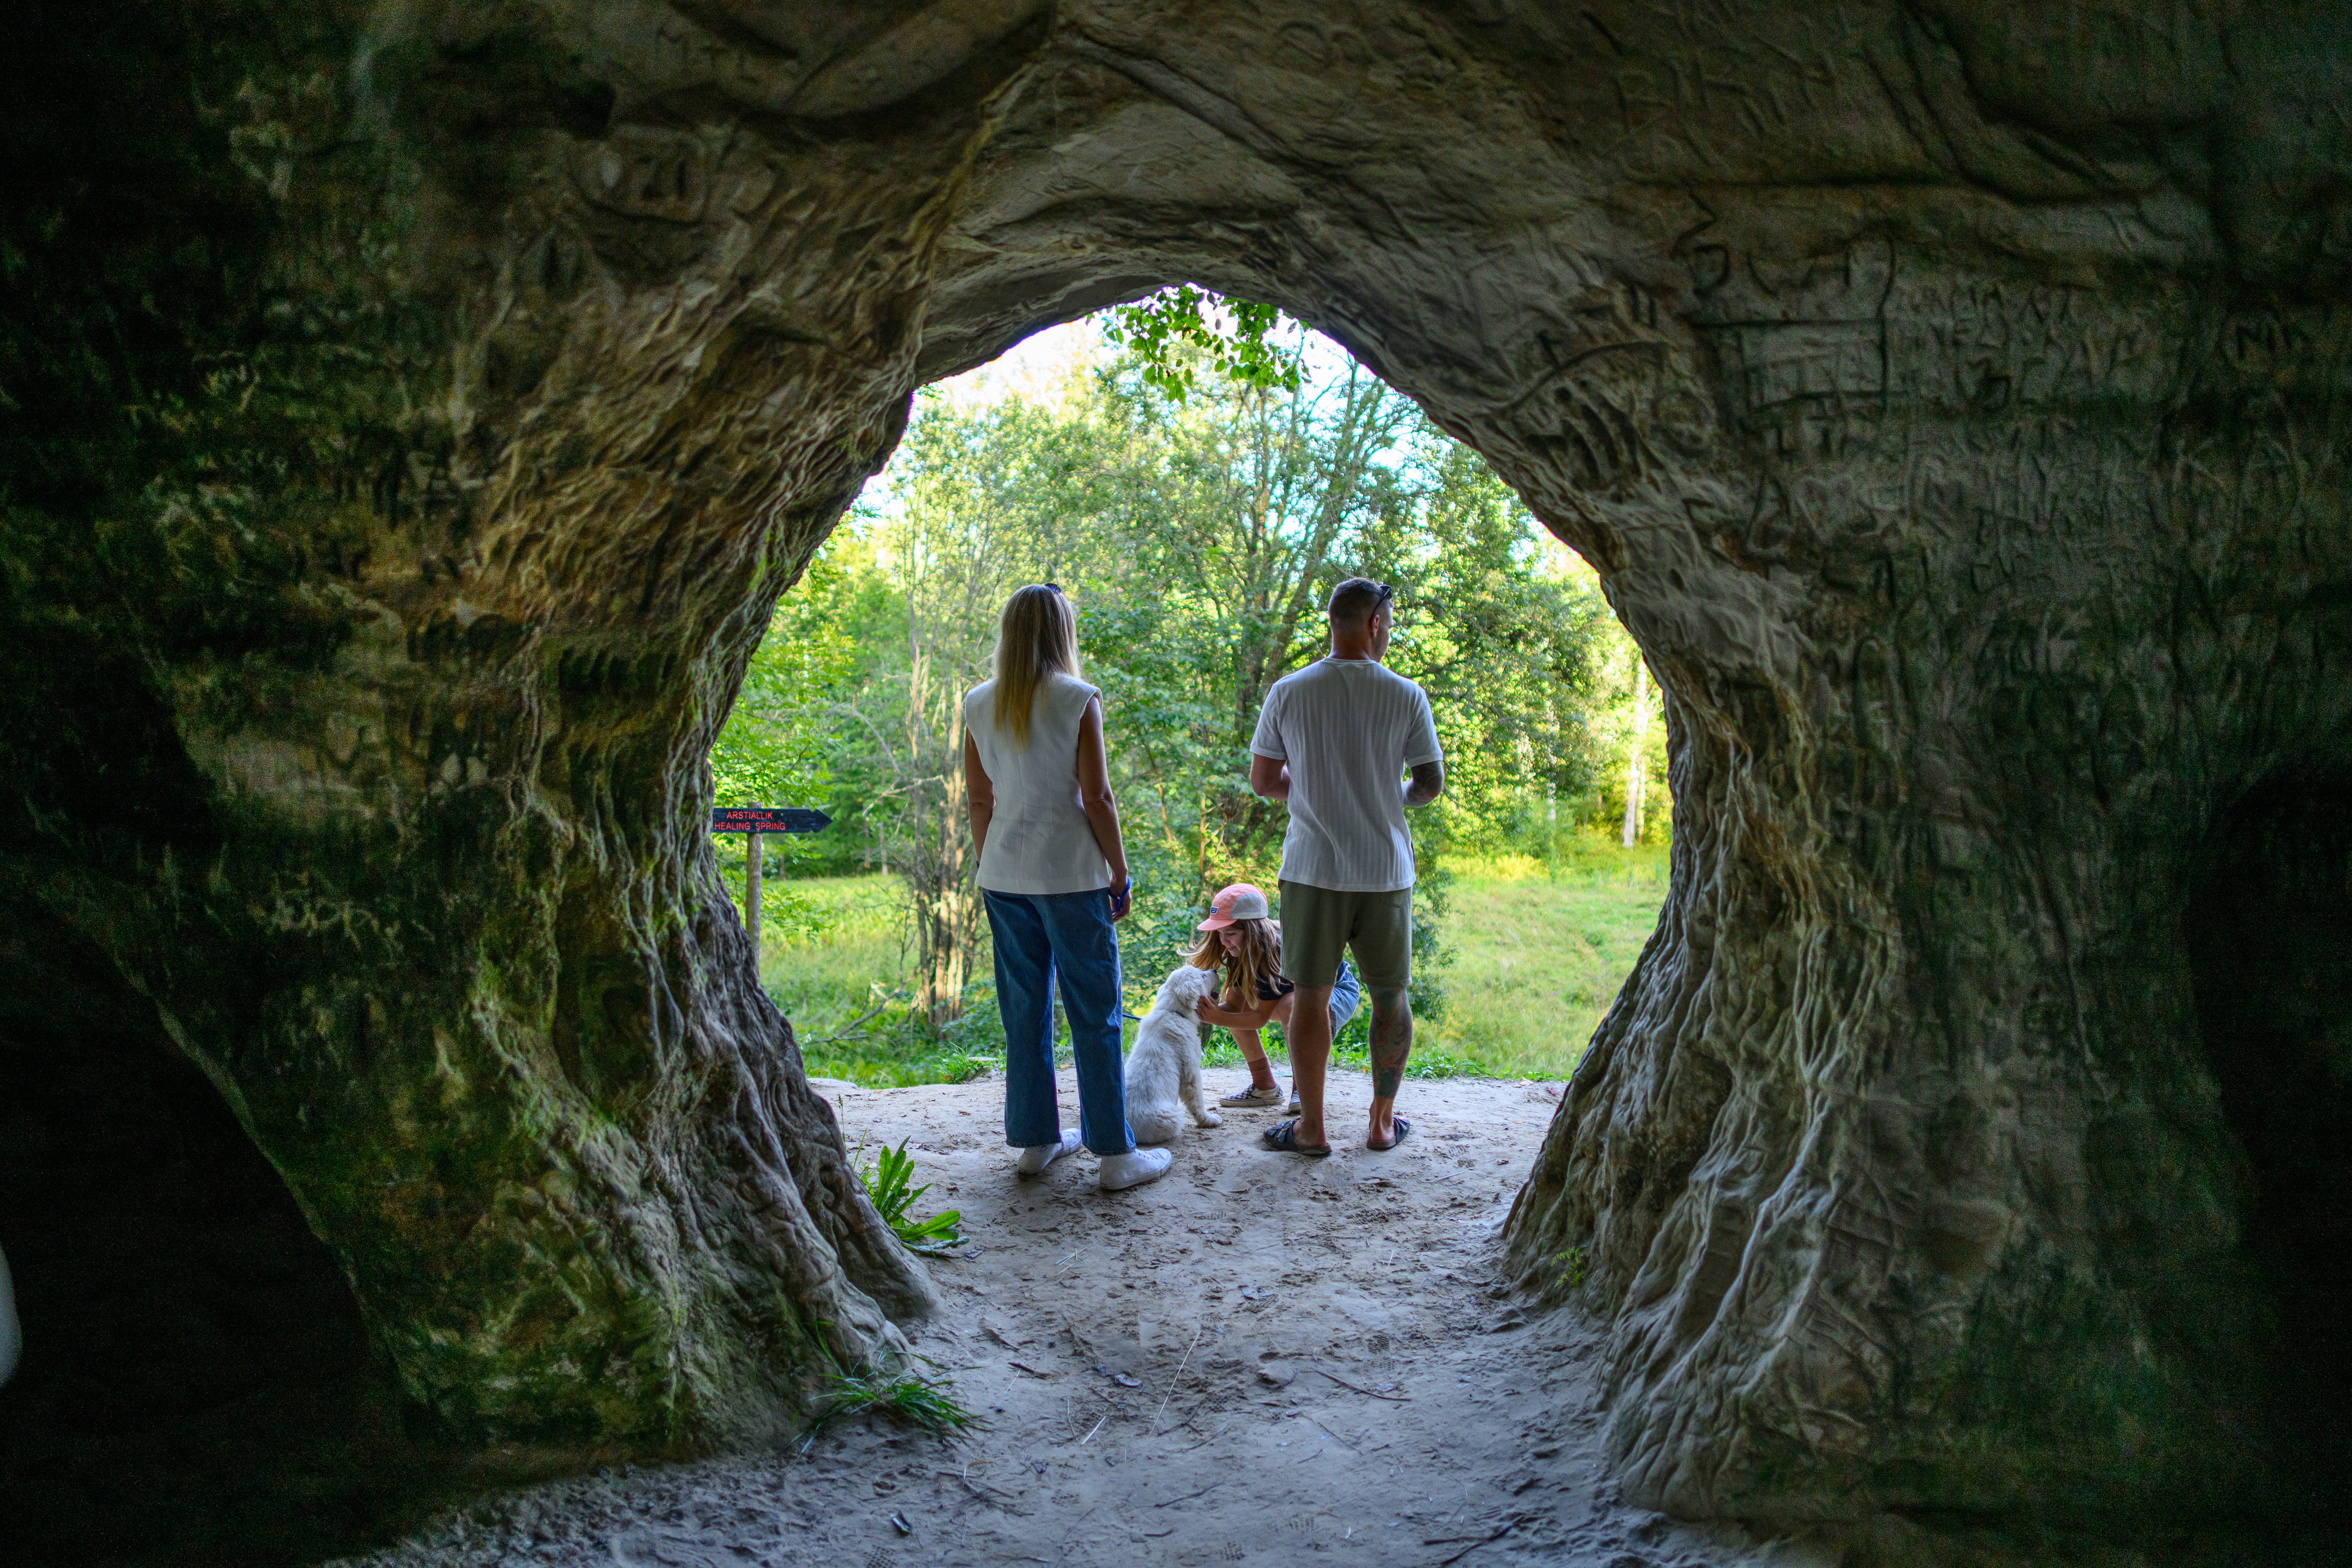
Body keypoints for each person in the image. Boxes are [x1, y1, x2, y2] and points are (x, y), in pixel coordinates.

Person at [963, 584, 1172, 1192]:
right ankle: (1115, 1154)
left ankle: (1036, 1141)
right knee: (1095, 1011)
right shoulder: (1079, 699)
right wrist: (1120, 870)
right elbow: (1098, 797)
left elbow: (981, 799)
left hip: (1004, 875)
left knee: (1024, 1010)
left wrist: (995, 866)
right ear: (1062, 632)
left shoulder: (979, 702)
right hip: (1073, 875)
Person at [1247, 577, 1443, 1155]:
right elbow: (1429, 783)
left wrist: (1312, 791)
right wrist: (1389, 795)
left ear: (1334, 623)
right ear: (1375, 624)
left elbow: (1263, 781)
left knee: (1309, 997)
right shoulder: (1407, 694)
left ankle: (1312, 1128)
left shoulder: (1289, 690)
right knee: (1390, 996)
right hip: (1384, 870)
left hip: (1312, 868)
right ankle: (1382, 1124)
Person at [1184, 883, 1361, 1111]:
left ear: (1253, 929)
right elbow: (1236, 1008)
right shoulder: (1242, 949)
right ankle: (1264, 1087)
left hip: (1337, 991)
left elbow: (1259, 1019)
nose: (1224, 942)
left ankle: (1303, 1090)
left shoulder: (1275, 949)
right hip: (1300, 996)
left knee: (1292, 1004)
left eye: (1230, 934)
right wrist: (1200, 1013)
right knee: (1238, 1009)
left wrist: (1218, 1017)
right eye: (1219, 934)